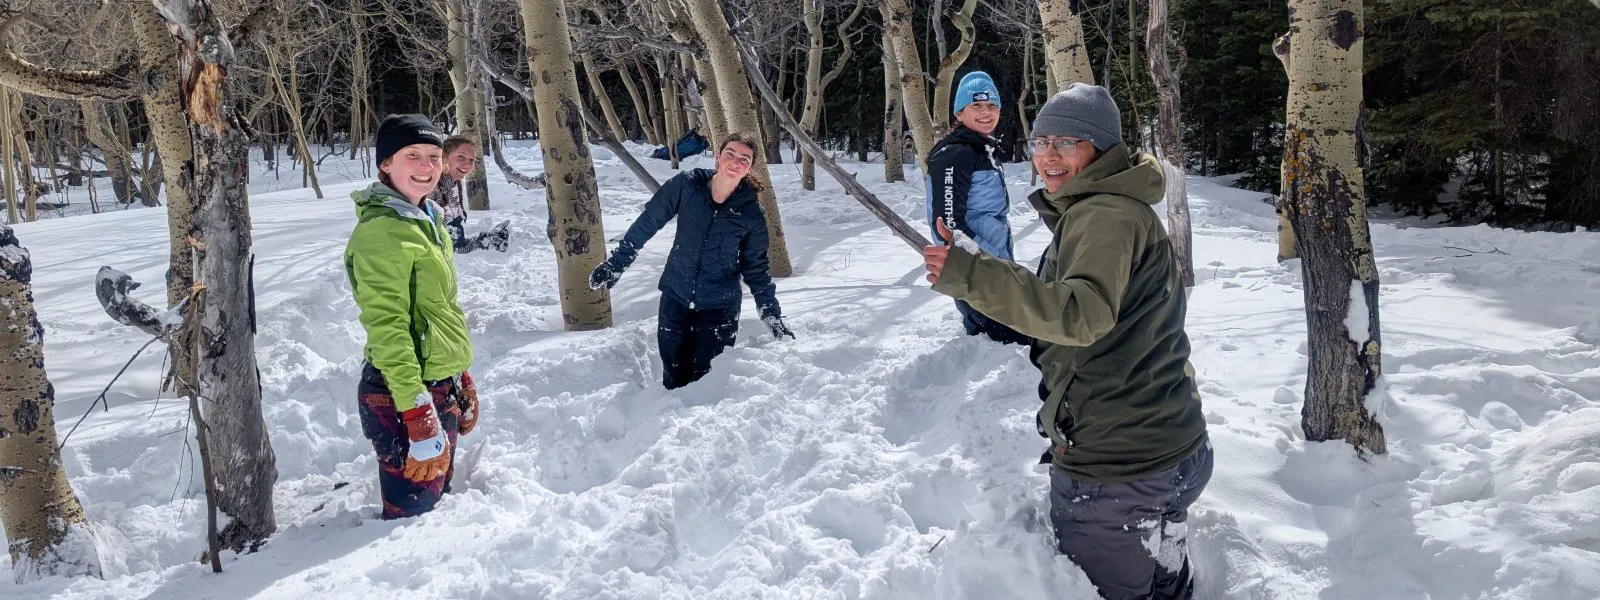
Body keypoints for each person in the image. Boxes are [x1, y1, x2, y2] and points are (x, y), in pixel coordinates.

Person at [922, 83, 1212, 600]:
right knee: (1167, 576)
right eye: (1040, 142)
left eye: (1066, 142)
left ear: (1101, 148)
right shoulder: (1117, 206)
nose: (1047, 156)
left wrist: (973, 276)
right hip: (1172, 447)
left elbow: (1079, 314)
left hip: (1118, 470)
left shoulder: (1104, 215)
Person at [345, 114, 482, 519]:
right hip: (400, 392)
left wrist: (460, 375)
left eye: (433, 156)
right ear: (386, 163)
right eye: (413, 155)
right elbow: (388, 328)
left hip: (437, 384)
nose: (426, 166)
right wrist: (416, 410)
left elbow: (439, 309)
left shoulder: (427, 218)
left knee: (437, 509)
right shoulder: (382, 232)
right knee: (410, 528)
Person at [588, 132, 794, 389]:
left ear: (750, 167)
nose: (735, 161)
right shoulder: (687, 186)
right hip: (675, 300)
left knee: (708, 385)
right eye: (730, 153)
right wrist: (618, 261)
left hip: (720, 310)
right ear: (718, 156)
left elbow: (756, 268)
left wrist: (770, 312)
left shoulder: (751, 213)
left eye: (744, 158)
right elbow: (649, 221)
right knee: (673, 381)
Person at [925, 70, 1028, 345]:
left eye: (992, 105)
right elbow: (947, 224)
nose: (986, 112)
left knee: (998, 342)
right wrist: (986, 262)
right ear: (959, 113)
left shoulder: (981, 149)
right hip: (976, 269)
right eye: (977, 105)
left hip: (993, 264)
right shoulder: (954, 154)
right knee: (1005, 342)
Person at [429, 135, 510, 254]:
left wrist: (485, 240)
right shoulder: (430, 189)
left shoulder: (455, 187)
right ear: (444, 157)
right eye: (461, 157)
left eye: (471, 160)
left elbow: (456, 246)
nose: (467, 164)